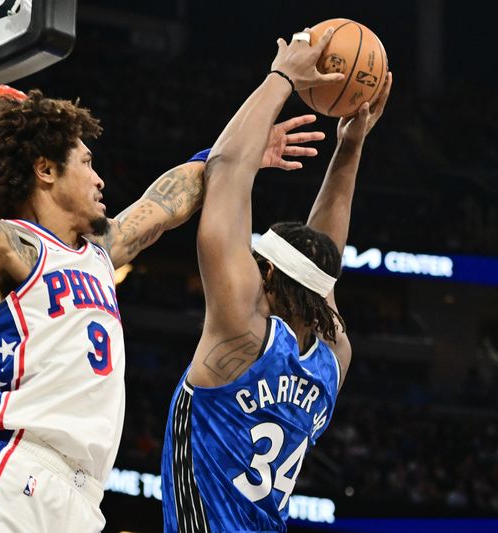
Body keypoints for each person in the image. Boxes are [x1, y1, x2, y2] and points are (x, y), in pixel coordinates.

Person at [0, 82, 325, 531]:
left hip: (82, 503)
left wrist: (242, 152)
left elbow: (166, 203)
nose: (100, 180)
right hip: (11, 476)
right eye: (88, 163)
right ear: (46, 170)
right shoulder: (6, 245)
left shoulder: (100, 251)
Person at [160, 30, 392, 532]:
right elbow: (320, 264)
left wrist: (282, 77)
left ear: (264, 271)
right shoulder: (332, 357)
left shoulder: (240, 330)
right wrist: (350, 148)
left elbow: (224, 170)